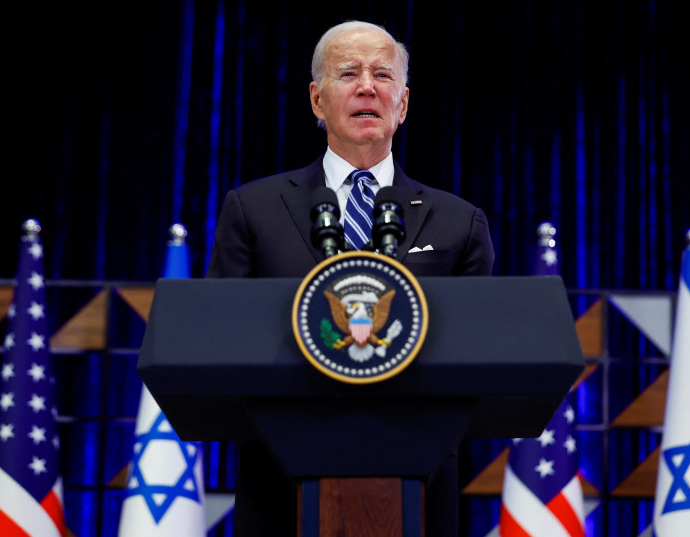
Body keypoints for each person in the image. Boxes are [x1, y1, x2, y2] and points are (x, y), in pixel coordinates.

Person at [207, 20, 495, 536]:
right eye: (348, 73)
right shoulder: (252, 209)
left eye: (382, 74)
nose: (367, 86)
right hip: (280, 489)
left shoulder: (459, 221)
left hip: (419, 490)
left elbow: (478, 360)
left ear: (402, 104)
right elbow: (218, 342)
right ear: (317, 100)